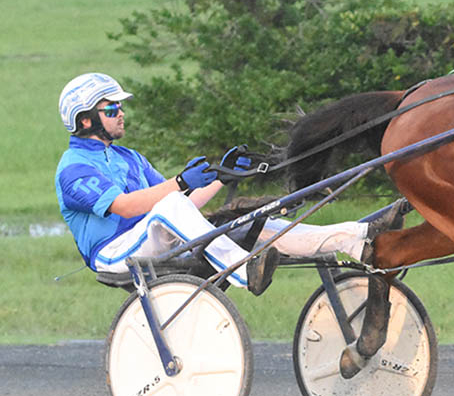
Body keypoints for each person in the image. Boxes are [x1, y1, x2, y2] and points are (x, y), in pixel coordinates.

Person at [55, 72, 403, 295]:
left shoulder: (128, 157)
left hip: (151, 236)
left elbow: (183, 208)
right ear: (85, 120)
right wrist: (179, 182)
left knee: (256, 223)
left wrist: (222, 174)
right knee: (173, 204)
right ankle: (241, 269)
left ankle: (355, 239)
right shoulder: (73, 169)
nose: (121, 113)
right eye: (112, 109)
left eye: (119, 107)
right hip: (114, 255)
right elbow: (128, 207)